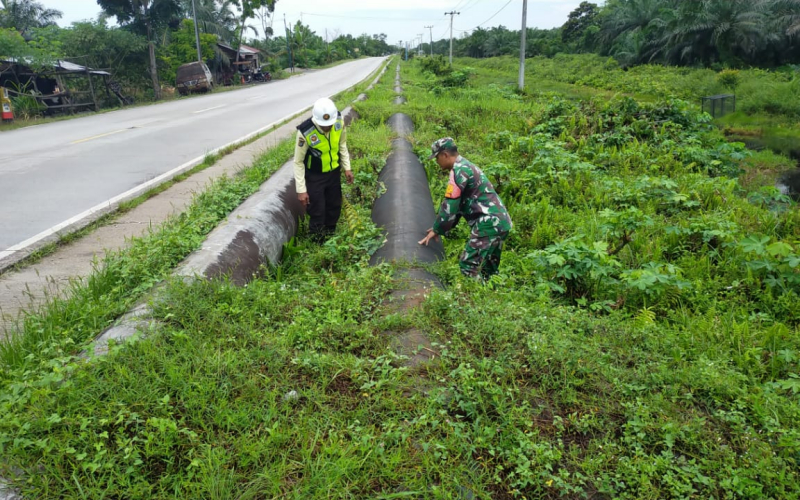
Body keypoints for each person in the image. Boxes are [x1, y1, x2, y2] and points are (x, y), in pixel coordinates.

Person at [418, 137, 512, 280]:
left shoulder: (458, 171)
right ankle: (492, 295)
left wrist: (438, 229)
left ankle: (473, 299)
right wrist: (440, 228)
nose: (437, 162)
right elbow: (459, 209)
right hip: (501, 222)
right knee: (489, 269)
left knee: (468, 266)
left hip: (488, 222)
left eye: (437, 158)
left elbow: (450, 205)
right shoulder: (466, 166)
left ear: (445, 155)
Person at [293, 97, 354, 241]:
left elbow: (342, 144)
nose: (328, 128)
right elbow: (298, 162)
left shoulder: (338, 122)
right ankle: (317, 242)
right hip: (315, 177)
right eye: (324, 126)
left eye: (330, 125)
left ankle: (330, 236)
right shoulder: (305, 132)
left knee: (334, 206)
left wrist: (347, 168)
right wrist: (301, 190)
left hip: (333, 173)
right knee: (317, 210)